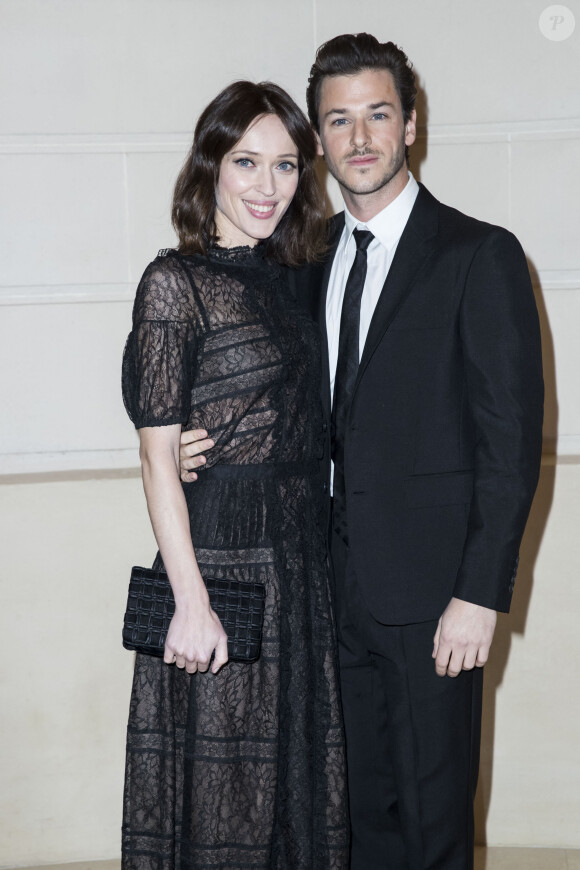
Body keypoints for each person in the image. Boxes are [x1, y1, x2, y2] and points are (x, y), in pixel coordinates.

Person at [179, 35, 544, 870]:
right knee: (352, 821)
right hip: (319, 589)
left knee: (433, 820)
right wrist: (199, 440)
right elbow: (249, 382)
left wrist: (480, 595)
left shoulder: (477, 255)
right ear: (318, 140)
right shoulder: (301, 266)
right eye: (339, 121)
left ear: (410, 124)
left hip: (431, 602)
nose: (361, 137)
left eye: (378, 114)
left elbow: (509, 442)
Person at [121, 80, 349, 870]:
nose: (267, 186)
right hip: (219, 561)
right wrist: (189, 603)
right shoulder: (174, 283)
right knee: (223, 797)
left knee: (296, 793)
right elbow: (157, 454)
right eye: (247, 161)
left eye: (286, 165)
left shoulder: (306, 276)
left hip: (302, 564)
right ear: (210, 165)